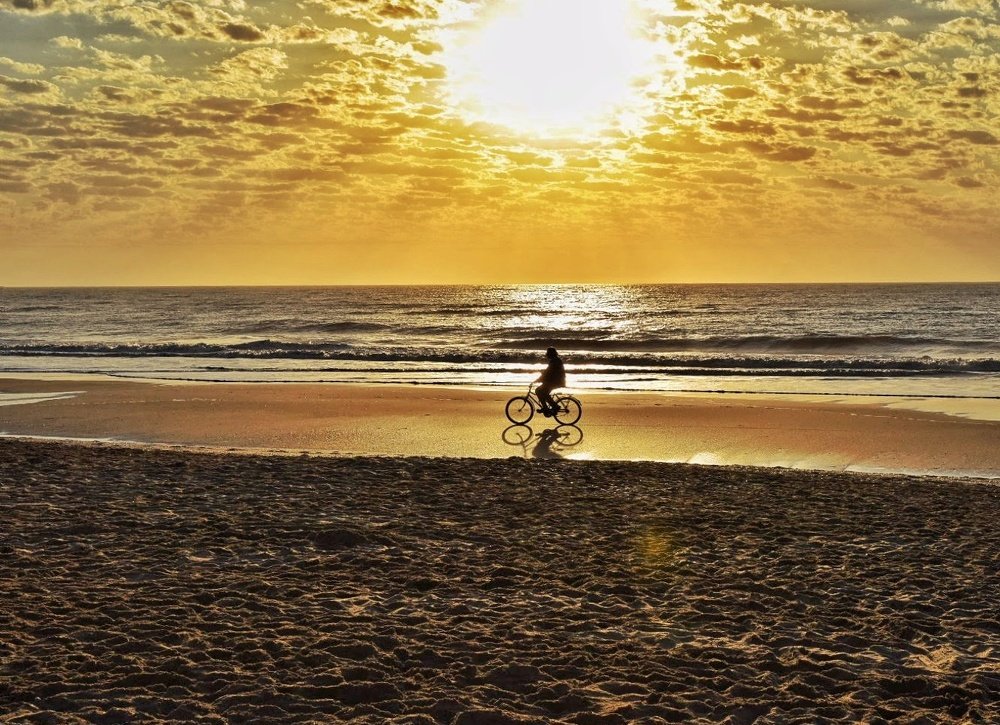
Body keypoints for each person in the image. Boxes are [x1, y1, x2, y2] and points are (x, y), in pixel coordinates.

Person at [535, 347, 566, 416]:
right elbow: (548, 372)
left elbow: (548, 372)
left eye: (547, 353)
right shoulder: (555, 360)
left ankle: (552, 407)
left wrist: (540, 379)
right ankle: (548, 407)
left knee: (540, 391)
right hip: (555, 381)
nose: (546, 354)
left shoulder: (554, 361)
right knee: (541, 391)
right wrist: (541, 378)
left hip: (556, 382)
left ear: (550, 354)